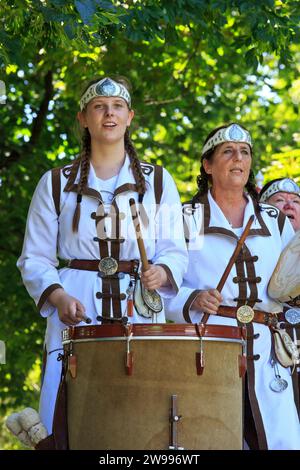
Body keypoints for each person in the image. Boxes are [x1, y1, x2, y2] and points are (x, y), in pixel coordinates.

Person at [17, 76, 188, 435]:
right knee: (68, 404)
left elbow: (176, 247)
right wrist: (57, 294)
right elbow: (34, 257)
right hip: (75, 303)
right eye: (99, 107)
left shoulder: (158, 181)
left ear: (130, 117)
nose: (108, 114)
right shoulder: (54, 182)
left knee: (141, 408)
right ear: (83, 118)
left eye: (117, 107)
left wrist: (163, 272)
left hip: (138, 305)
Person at [164, 123, 300, 450]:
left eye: (244, 152)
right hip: (209, 348)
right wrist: (192, 298)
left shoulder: (274, 220)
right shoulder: (183, 219)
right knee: (215, 437)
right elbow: (160, 289)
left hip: (269, 350)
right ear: (208, 165)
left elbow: (292, 283)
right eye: (227, 151)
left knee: (282, 439)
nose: (238, 158)